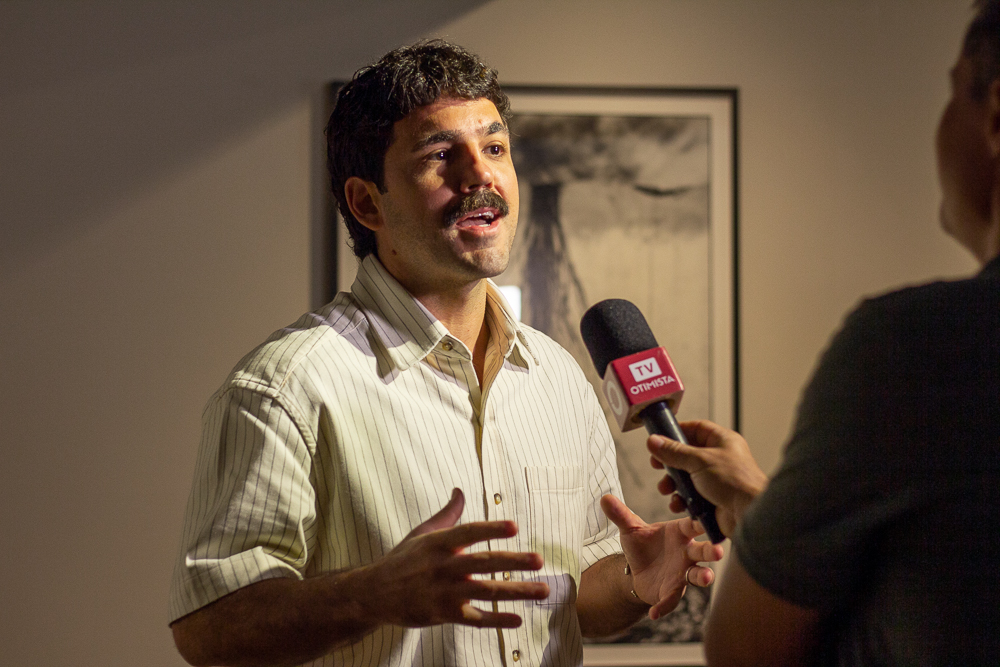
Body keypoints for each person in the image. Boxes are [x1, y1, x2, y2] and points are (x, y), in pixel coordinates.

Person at [167, 40, 722, 667]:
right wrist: (372, 596)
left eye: (494, 149)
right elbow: (208, 629)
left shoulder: (557, 376)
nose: (480, 176)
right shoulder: (285, 388)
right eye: (439, 155)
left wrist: (631, 582)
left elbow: (574, 596)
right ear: (367, 203)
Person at [640, 2, 1000, 665]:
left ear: (996, 116)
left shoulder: (915, 348)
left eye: (953, 94)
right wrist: (762, 506)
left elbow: (745, 652)